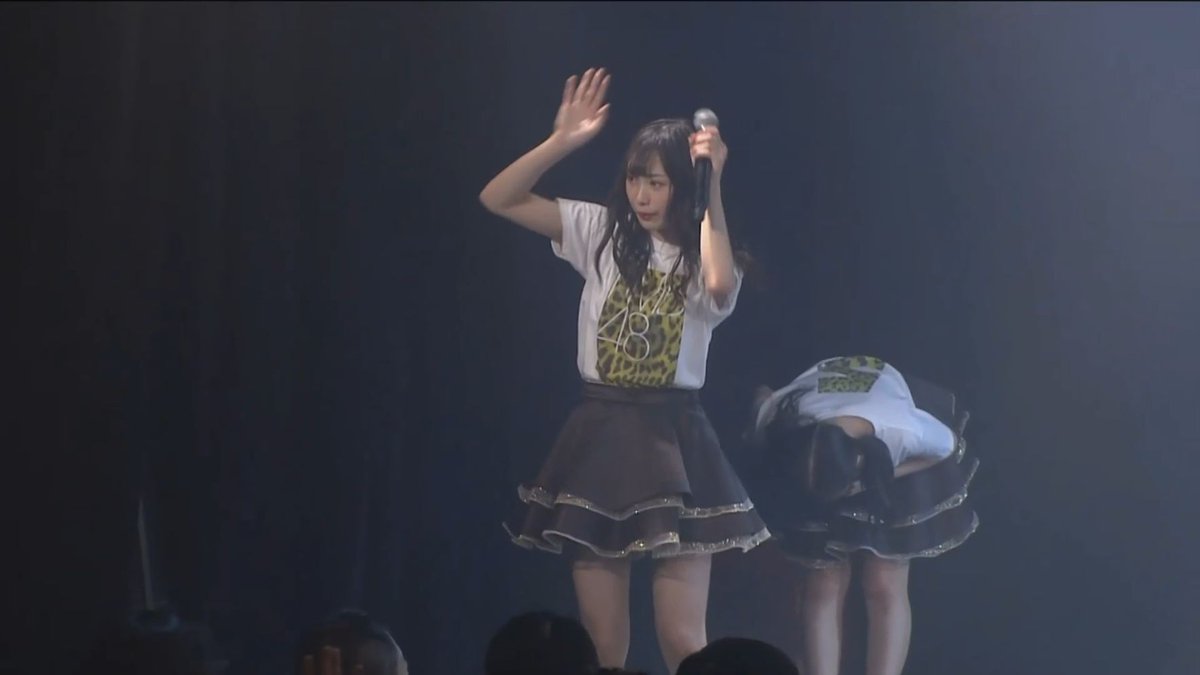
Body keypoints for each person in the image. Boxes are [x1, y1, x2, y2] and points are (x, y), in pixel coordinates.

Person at [479, 67, 769, 673]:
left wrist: (712, 182)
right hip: (601, 433)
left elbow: (719, 285)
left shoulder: (703, 258)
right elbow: (498, 198)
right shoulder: (602, 233)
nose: (641, 194)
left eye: (657, 182)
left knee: (683, 639)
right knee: (602, 644)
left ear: (682, 187)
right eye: (635, 179)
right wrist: (561, 141)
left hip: (675, 438)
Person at [748, 355, 978, 675]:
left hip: (890, 459)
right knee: (823, 579)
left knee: (883, 580)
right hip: (826, 416)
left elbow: (948, 446)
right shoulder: (786, 415)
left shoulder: (902, 429)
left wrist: (887, 475)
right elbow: (762, 400)